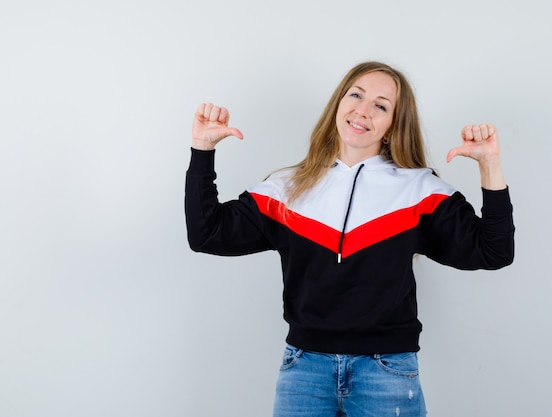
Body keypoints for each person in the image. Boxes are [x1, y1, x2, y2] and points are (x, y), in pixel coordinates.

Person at [185, 61, 514, 417]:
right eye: (356, 94)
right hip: (304, 371)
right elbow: (207, 233)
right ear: (338, 104)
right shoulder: (285, 189)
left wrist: (489, 166)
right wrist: (202, 151)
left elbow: (493, 251)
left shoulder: (421, 191)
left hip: (385, 372)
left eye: (381, 105)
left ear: (392, 126)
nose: (363, 109)